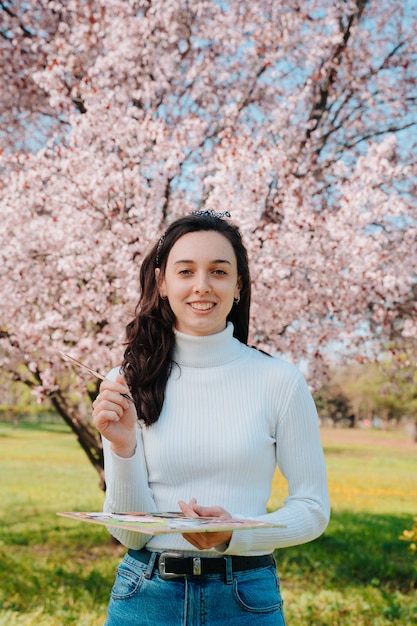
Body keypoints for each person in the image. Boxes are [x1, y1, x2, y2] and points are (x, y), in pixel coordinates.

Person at [92, 210, 330, 626]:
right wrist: (122, 446)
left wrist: (236, 532)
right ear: (163, 283)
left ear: (237, 285)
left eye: (218, 271)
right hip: (144, 596)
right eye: (186, 271)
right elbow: (130, 534)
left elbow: (312, 508)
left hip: (244, 598)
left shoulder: (280, 380)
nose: (202, 286)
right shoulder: (125, 382)